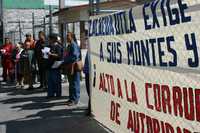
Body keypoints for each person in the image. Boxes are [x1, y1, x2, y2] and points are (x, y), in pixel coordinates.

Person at [63, 32, 81, 106]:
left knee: (74, 83)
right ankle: (71, 98)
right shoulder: (69, 45)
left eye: (68, 36)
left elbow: (75, 56)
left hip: (73, 66)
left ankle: (75, 99)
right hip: (69, 66)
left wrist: (66, 59)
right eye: (66, 36)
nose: (67, 38)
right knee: (71, 83)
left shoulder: (74, 45)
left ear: (72, 37)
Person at [47, 33, 63, 98]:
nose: (49, 40)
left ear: (53, 39)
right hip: (50, 66)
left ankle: (58, 94)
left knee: (56, 81)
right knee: (50, 81)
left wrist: (51, 54)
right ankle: (51, 94)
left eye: (50, 39)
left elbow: (59, 55)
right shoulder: (49, 46)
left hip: (56, 66)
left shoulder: (58, 46)